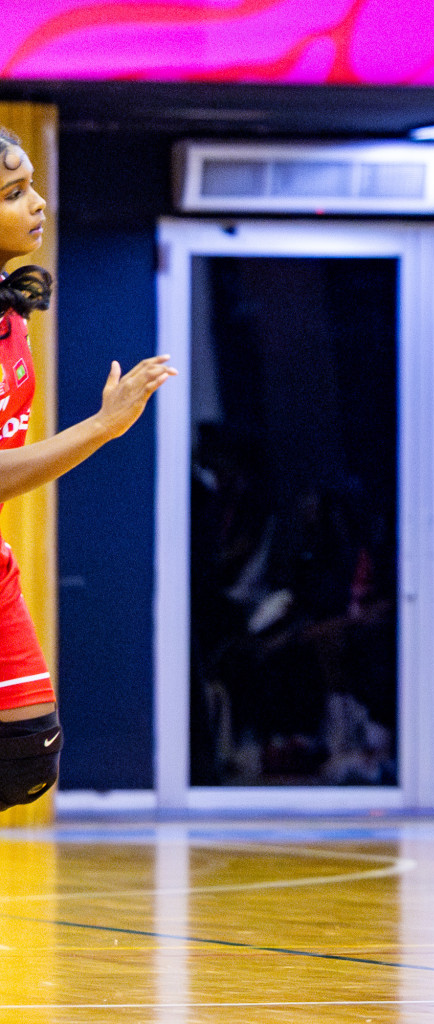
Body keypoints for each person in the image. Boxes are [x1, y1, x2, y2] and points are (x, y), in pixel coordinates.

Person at [0, 128, 175, 810]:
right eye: (14, 193)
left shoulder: (12, 318)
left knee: (26, 759)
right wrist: (102, 428)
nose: (39, 203)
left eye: (32, 186)